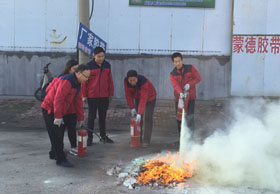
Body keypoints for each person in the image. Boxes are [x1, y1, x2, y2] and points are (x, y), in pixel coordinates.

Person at [41, 65, 90, 167]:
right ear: (78, 73)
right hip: (49, 109)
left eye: (88, 77)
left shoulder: (77, 84)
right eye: (85, 76)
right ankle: (61, 159)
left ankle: (54, 153)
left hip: (59, 110)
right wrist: (58, 116)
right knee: (56, 135)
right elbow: (59, 99)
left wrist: (81, 118)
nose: (86, 79)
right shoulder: (66, 81)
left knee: (57, 134)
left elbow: (78, 103)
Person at [45, 59, 79, 155]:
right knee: (59, 132)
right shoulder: (62, 79)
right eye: (74, 69)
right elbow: (53, 94)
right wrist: (58, 115)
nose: (76, 72)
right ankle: (58, 150)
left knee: (72, 129)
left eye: (78, 69)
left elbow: (78, 100)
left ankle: (73, 147)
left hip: (71, 110)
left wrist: (80, 117)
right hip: (61, 110)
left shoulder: (78, 82)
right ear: (68, 69)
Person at [82, 47, 114, 145]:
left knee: (102, 117)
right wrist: (84, 95)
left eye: (102, 56)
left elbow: (110, 81)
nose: (101, 58)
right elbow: (84, 82)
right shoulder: (89, 66)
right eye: (98, 56)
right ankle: (90, 138)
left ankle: (103, 136)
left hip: (104, 96)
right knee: (91, 117)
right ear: (94, 56)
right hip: (92, 96)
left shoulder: (107, 65)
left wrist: (110, 93)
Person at [169, 52, 201, 135]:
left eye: (179, 61)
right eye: (175, 62)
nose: (178, 63)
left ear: (182, 60)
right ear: (173, 62)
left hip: (190, 97)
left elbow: (198, 78)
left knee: (190, 117)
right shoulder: (172, 74)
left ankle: (191, 138)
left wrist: (189, 84)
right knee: (179, 118)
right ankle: (181, 138)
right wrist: (180, 93)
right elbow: (175, 85)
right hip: (179, 99)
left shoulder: (190, 68)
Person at [124, 70, 157, 147]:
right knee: (138, 119)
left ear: (137, 78)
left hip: (150, 98)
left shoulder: (143, 81)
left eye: (134, 80)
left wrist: (139, 112)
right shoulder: (126, 82)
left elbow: (143, 98)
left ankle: (146, 140)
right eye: (130, 80)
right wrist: (132, 108)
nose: (132, 82)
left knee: (147, 118)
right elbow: (128, 95)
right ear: (127, 79)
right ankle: (137, 138)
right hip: (137, 98)